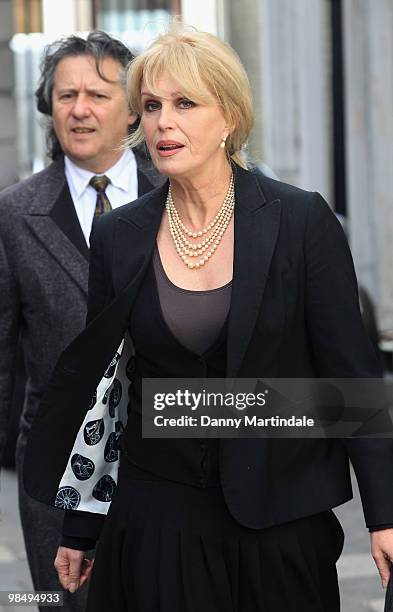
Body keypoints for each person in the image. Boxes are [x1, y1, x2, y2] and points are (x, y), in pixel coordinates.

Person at [23, 27, 393, 611]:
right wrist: (82, 525)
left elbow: (352, 376)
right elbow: (109, 392)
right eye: (150, 107)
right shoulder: (119, 235)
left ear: (229, 117)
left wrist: (385, 513)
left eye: (185, 104)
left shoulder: (297, 220)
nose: (163, 122)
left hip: (279, 524)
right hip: (154, 523)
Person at [0, 31, 162, 612]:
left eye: (97, 93)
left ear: (133, 107)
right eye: (66, 95)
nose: (80, 109)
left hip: (170, 460)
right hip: (60, 472)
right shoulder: (14, 213)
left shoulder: (178, 193)